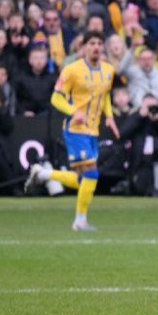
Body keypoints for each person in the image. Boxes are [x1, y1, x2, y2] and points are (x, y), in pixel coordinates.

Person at [25, 32, 120, 231]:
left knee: (83, 180)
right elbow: (56, 98)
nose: (96, 47)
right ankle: (79, 221)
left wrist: (109, 117)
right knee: (92, 173)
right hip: (75, 129)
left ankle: (42, 173)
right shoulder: (72, 70)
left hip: (93, 130)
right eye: (92, 43)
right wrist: (73, 112)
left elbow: (105, 95)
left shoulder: (109, 70)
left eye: (99, 43)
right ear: (84, 47)